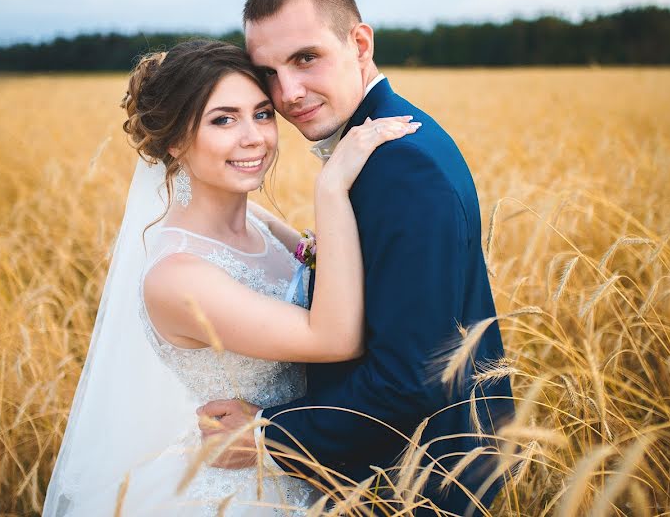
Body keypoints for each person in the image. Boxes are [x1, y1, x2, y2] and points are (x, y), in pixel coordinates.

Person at [42, 39, 419, 516]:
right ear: (175, 140)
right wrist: (331, 188)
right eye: (223, 119)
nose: (254, 137)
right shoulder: (178, 277)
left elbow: (332, 268)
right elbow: (335, 337)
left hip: (302, 464)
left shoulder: (256, 220)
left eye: (262, 114)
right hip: (242, 492)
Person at [197, 0, 516, 516]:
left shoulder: (402, 165)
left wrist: (266, 433)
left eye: (305, 58)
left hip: (416, 484)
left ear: (359, 43)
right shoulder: (386, 141)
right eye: (268, 72)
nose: (288, 93)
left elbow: (412, 380)